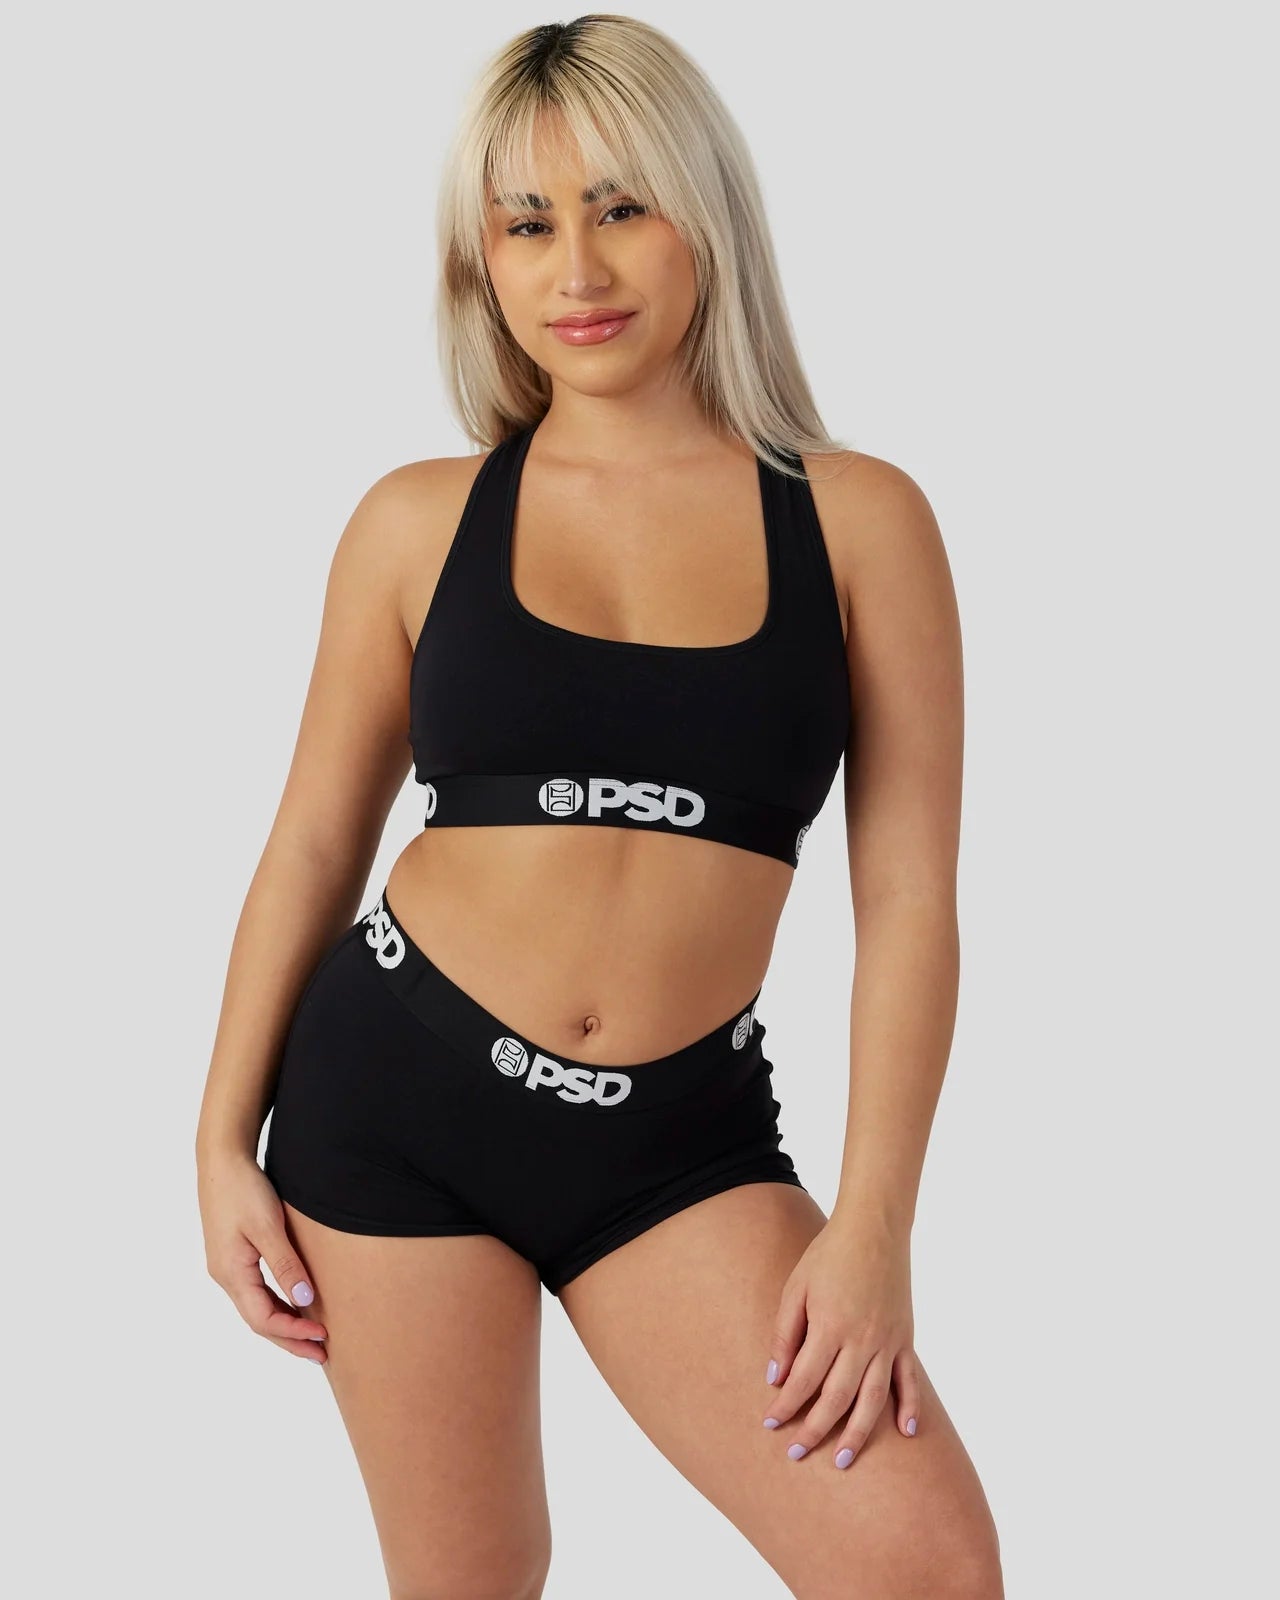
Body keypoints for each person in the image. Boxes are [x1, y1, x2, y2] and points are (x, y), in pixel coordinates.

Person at [195, 15, 1003, 1599]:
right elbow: (312, 842)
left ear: (707, 215)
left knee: (922, 1565)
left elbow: (909, 900)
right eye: (526, 223)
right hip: (396, 1101)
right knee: (476, 1581)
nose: (577, 266)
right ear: (479, 264)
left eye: (622, 206)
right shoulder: (416, 524)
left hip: (676, 1142)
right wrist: (220, 1138)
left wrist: (875, 1228)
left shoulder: (859, 523)